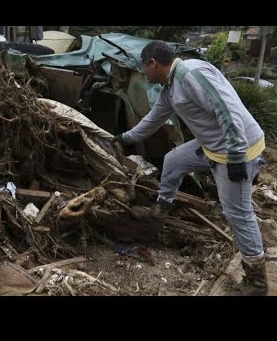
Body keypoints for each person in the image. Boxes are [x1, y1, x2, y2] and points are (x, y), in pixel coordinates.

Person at [113, 40, 267, 296]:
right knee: (173, 161)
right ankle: (159, 214)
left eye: (144, 68)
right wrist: (124, 138)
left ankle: (258, 279)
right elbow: (152, 121)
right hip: (211, 147)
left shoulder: (191, 74)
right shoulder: (170, 89)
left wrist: (237, 155)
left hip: (238, 150)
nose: (144, 74)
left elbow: (226, 109)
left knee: (237, 212)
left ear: (153, 63)